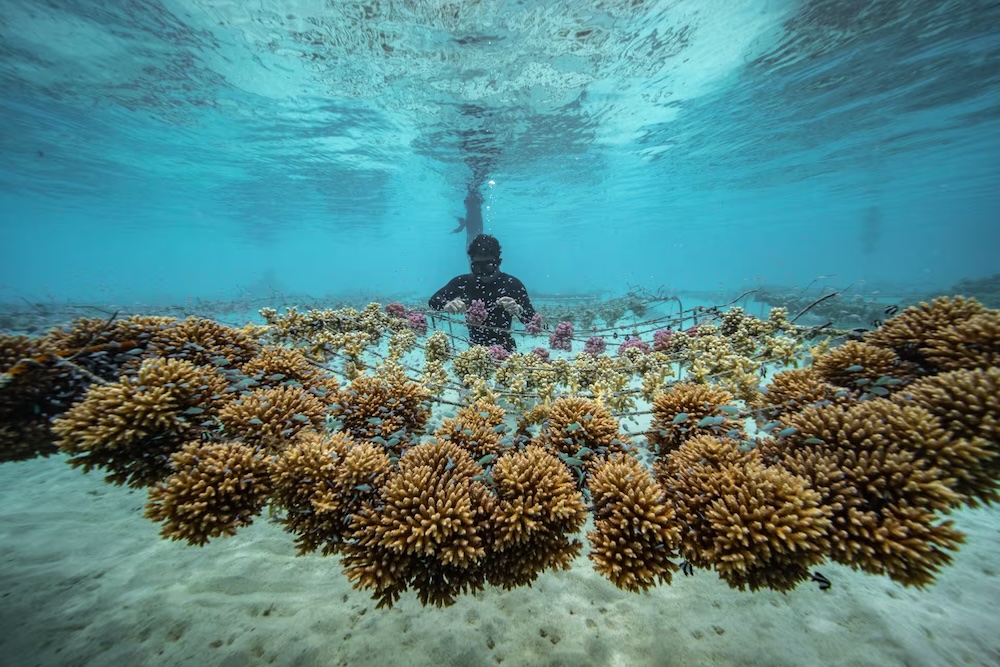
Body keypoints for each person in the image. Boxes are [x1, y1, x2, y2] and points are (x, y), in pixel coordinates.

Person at [428, 234, 537, 352]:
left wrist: (518, 309)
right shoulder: (464, 282)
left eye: (489, 267)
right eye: (477, 268)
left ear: (499, 262)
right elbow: (434, 301)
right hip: (475, 351)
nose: (483, 273)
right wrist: (447, 304)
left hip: (506, 350)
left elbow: (532, 320)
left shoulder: (511, 284)